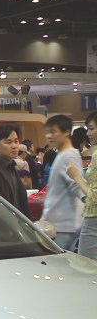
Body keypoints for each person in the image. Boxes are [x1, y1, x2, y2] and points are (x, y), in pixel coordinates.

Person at [40, 115, 85, 251]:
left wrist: (89, 199)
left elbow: (76, 185)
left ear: (66, 132)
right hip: (57, 224)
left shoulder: (68, 156)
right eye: (47, 132)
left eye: (53, 131)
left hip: (63, 225)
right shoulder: (63, 154)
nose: (49, 136)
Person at [67, 111, 97, 260]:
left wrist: (76, 176)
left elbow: (95, 196)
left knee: (86, 267)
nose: (88, 133)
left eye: (91, 128)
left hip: (93, 221)